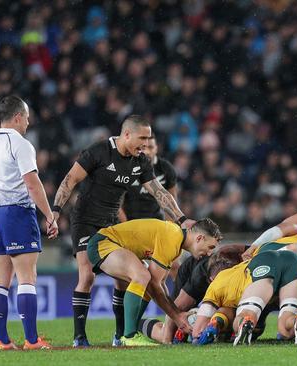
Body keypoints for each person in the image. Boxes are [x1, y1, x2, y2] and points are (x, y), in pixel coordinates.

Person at [51, 115, 194, 347]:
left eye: (149, 139)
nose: (146, 144)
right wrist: (55, 212)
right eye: (142, 138)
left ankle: (121, 335)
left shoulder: (141, 161)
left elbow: (160, 193)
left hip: (113, 225)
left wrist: (181, 218)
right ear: (126, 134)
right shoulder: (98, 151)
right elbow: (70, 180)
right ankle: (79, 337)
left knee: (123, 280)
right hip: (85, 220)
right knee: (87, 276)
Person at [0, 95, 59, 350]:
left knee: (1, 277)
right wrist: (49, 214)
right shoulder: (21, 144)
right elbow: (32, 184)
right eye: (27, 118)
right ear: (18, 117)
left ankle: (2, 340)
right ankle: (32, 340)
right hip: (17, 212)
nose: (28, 122)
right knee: (27, 277)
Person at [86, 218, 221, 346]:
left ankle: (127, 334)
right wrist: (176, 316)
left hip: (110, 245)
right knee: (143, 276)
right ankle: (129, 336)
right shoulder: (172, 237)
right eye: (210, 247)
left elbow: (159, 284)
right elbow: (154, 285)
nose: (209, 254)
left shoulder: (176, 241)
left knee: (146, 280)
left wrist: (176, 313)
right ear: (199, 238)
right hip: (103, 242)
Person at [119, 133, 178, 221]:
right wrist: (127, 227)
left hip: (157, 222)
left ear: (156, 148)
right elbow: (117, 204)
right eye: (143, 147)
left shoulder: (166, 168)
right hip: (130, 222)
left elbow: (172, 200)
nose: (147, 152)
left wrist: (167, 227)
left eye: (150, 147)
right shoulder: (126, 167)